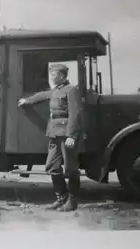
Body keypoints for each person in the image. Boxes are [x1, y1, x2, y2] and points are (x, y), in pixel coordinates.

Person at [18, 63, 83, 212]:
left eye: (53, 75)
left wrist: (72, 135)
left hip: (66, 133)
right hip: (54, 132)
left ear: (62, 76)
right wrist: (27, 100)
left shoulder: (71, 90)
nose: (51, 78)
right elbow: (43, 95)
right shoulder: (55, 90)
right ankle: (62, 198)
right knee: (52, 166)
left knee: (70, 167)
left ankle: (72, 201)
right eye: (51, 74)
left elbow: (75, 113)